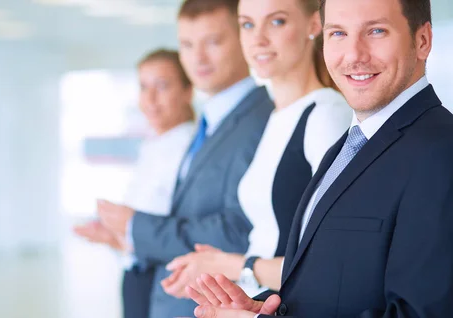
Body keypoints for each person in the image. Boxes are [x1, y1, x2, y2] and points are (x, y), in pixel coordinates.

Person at [186, 0, 453, 317]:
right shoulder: (347, 147)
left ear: (423, 40)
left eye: (377, 31)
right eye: (338, 33)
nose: (354, 54)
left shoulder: (440, 152)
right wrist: (268, 311)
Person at [162, 0, 351, 300]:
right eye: (248, 24)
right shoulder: (276, 117)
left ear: (315, 25)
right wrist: (217, 268)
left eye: (277, 22)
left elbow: (337, 260)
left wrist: (234, 264)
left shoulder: (326, 115)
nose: (258, 39)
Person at [96, 0, 275, 316]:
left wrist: (138, 227)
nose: (198, 58)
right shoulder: (210, 122)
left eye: (213, 42)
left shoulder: (263, 121)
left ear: (244, 36)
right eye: (188, 45)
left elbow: (239, 229)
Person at [74, 48, 196, 318]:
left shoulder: (190, 148)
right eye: (144, 87)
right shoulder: (154, 143)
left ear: (188, 90)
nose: (150, 99)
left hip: (162, 280)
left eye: (162, 86)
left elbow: (175, 233)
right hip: (138, 274)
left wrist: (127, 234)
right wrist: (115, 237)